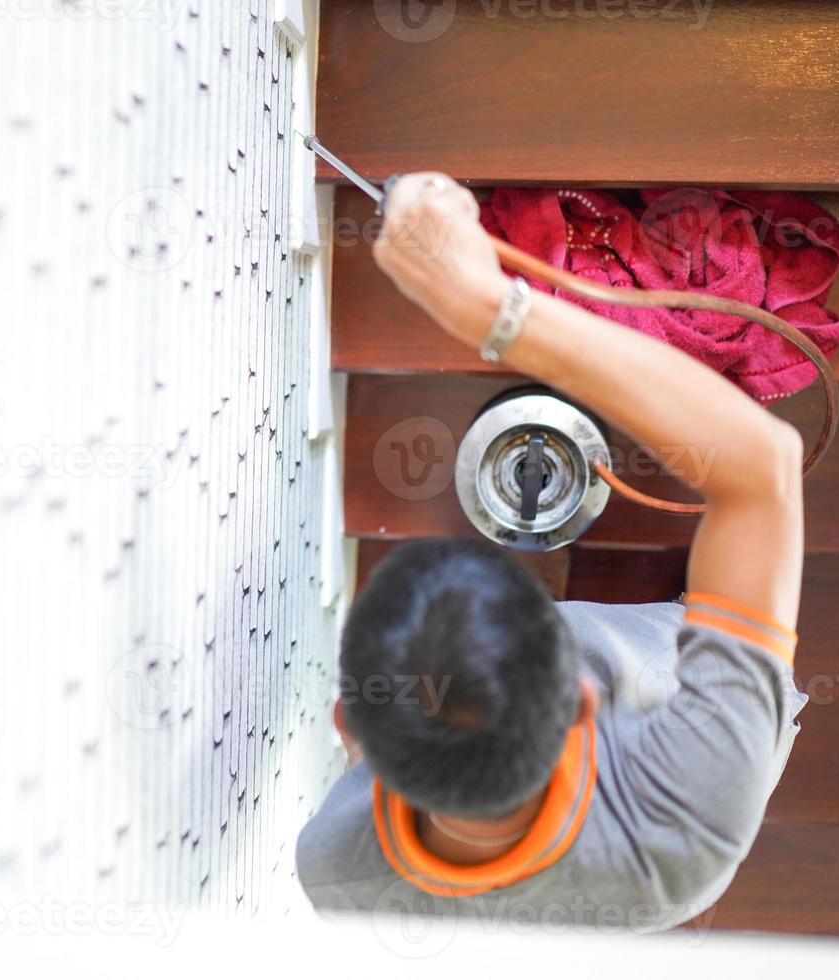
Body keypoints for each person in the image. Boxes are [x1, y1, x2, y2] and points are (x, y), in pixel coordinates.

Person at [296, 174, 808, 932]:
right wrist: (484, 309)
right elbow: (764, 466)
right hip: (668, 721)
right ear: (582, 701)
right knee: (715, 639)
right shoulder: (695, 805)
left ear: (349, 726)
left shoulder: (334, 873)